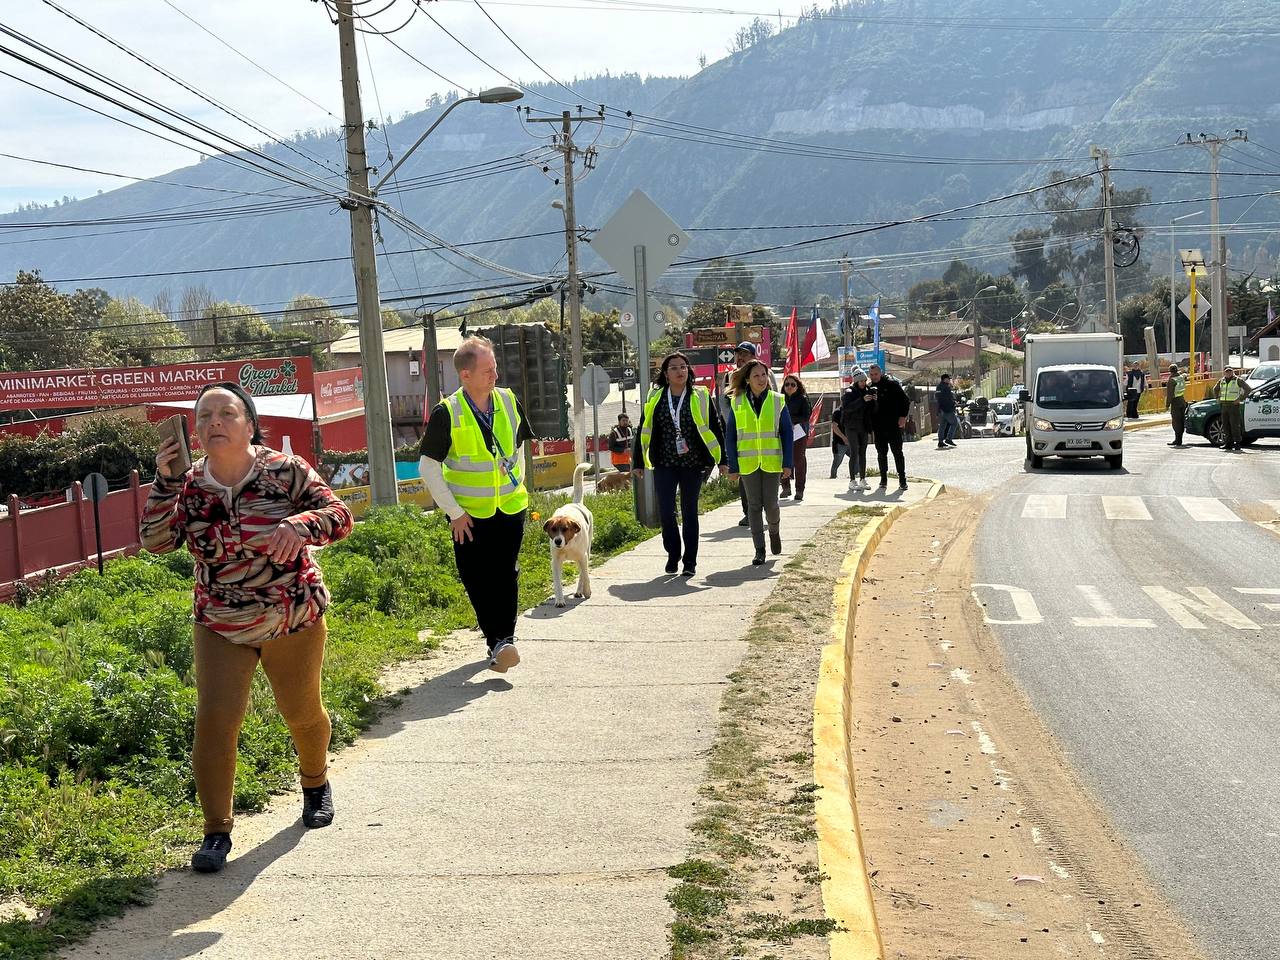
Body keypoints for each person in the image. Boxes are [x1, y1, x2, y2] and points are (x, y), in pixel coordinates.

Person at [141, 383, 354, 874]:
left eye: (226, 413)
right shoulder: (189, 483)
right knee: (216, 722)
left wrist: (300, 526)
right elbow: (155, 542)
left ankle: (315, 782)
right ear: (194, 430)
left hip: (291, 616)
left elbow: (339, 516)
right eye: (205, 415)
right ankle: (216, 831)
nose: (214, 421)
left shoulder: (285, 471)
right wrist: (165, 482)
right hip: (219, 620)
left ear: (250, 425)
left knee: (300, 711)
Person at [419, 336, 533, 672]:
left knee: (505, 573)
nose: (494, 375)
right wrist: (455, 512)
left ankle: (504, 641)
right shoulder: (447, 412)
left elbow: (519, 447)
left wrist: (518, 481)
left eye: (495, 368)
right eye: (487, 370)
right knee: (476, 578)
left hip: (511, 507)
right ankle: (497, 641)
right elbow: (428, 466)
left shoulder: (509, 401)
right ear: (465, 375)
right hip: (467, 516)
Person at [633, 352, 727, 576]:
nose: (679, 371)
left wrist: (723, 460)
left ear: (689, 370)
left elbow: (715, 427)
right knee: (666, 512)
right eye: (674, 368)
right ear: (666, 373)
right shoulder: (655, 397)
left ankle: (690, 562)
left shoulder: (700, 396)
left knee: (689, 512)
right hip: (664, 462)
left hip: (693, 463)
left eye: (683, 367)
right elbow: (642, 428)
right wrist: (637, 461)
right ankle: (673, 554)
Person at [725, 360, 794, 566]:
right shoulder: (737, 402)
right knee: (754, 506)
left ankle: (774, 531)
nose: (761, 379)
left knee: (771, 505)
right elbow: (730, 437)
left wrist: (788, 463)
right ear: (747, 379)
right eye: (756, 376)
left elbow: (787, 433)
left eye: (764, 375)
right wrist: (733, 466)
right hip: (748, 464)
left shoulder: (777, 400)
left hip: (772, 463)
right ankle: (759, 549)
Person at [720, 341, 776, 527]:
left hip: (766, 436)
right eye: (738, 354)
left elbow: (775, 401)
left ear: (754, 356)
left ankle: (769, 511)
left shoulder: (767, 374)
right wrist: (734, 423)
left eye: (744, 354)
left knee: (767, 477)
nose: (740, 358)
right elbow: (724, 405)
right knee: (746, 475)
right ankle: (749, 512)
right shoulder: (729, 377)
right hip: (743, 434)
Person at [867, 364, 910, 492]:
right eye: (872, 374)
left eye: (876, 374)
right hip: (878, 427)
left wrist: (903, 416)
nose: (874, 377)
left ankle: (902, 480)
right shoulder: (869, 388)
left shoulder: (892, 385)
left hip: (893, 425)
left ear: (880, 373)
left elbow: (905, 401)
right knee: (881, 453)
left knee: (897, 452)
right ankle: (883, 479)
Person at [780, 374, 813, 501]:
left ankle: (799, 490)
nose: (789, 387)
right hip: (783, 433)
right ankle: (785, 487)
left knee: (799, 460)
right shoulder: (780, 399)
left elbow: (806, 415)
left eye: (792, 384)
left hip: (798, 433)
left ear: (797, 386)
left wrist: (791, 421)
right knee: (782, 460)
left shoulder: (802, 398)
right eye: (787, 384)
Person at [839, 369, 873, 491]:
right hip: (851, 426)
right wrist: (862, 400)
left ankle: (863, 479)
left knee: (863, 453)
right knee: (854, 452)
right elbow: (847, 408)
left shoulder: (868, 391)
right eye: (861, 381)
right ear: (856, 381)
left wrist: (873, 400)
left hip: (863, 426)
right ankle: (852, 480)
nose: (863, 383)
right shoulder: (849, 392)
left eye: (864, 380)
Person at [1212, 366, 1252, 451]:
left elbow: (1248, 389)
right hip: (1224, 406)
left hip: (1233, 406)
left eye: (1230, 371)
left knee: (1235, 425)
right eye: (1227, 371)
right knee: (1225, 425)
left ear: (1232, 372)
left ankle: (1237, 443)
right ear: (1224, 372)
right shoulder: (1221, 380)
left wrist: (1240, 399)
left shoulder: (1238, 380)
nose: (1228, 373)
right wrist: (1217, 398)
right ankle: (1228, 443)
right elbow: (1215, 389)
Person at [935, 373, 959, 449]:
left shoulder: (938, 387)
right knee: (955, 423)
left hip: (941, 409)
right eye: (948, 379)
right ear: (944, 379)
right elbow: (948, 399)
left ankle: (940, 441)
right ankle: (949, 438)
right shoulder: (946, 388)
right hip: (947, 410)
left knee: (942, 426)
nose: (949, 380)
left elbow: (939, 399)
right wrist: (953, 403)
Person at [1167, 364, 1188, 447]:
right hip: (1182, 400)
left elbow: (1170, 394)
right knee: (1181, 420)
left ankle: (1177, 440)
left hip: (1175, 402)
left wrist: (1167, 404)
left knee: (1176, 421)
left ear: (1170, 371)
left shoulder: (1172, 380)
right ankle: (1180, 439)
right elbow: (1185, 375)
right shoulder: (1181, 377)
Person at [829, 399, 848, 479]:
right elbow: (834, 427)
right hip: (839, 442)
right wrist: (843, 438)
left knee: (856, 459)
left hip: (850, 442)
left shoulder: (851, 411)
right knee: (837, 461)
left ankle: (855, 475)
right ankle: (833, 477)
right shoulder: (837, 412)